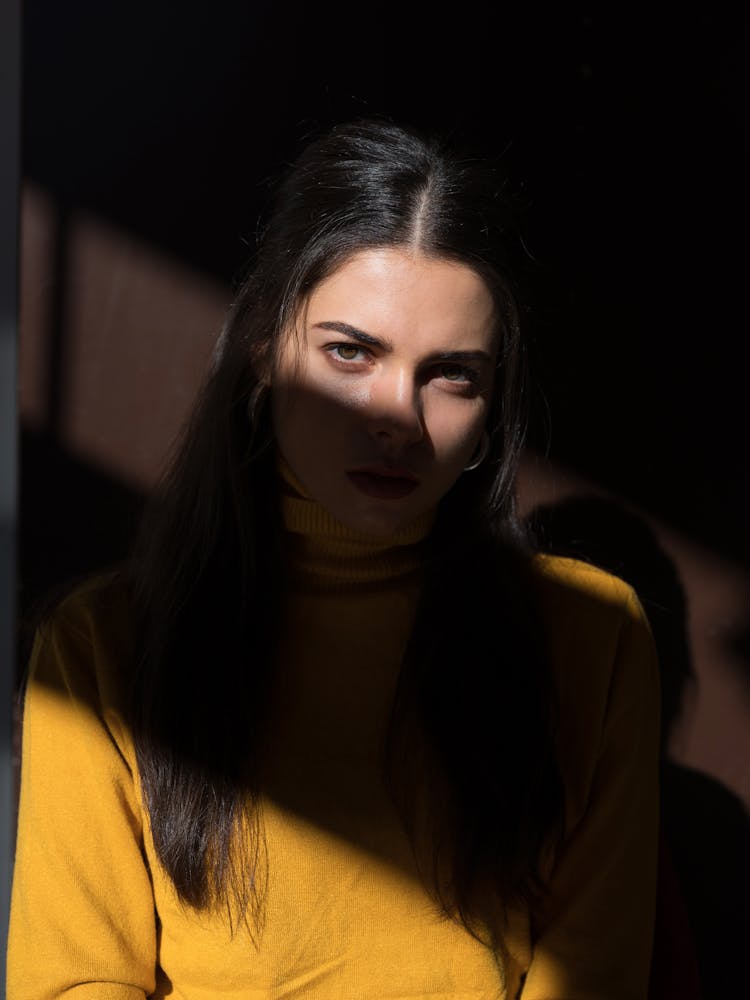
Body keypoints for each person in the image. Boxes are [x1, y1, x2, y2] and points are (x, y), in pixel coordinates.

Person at [7, 118, 660, 999]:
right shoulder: (102, 648)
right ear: (263, 353)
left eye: (452, 374)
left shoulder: (593, 637)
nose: (397, 413)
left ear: (494, 403)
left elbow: (596, 975)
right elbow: (75, 983)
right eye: (351, 352)